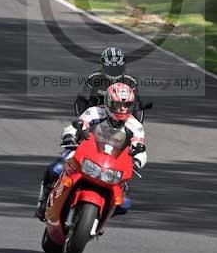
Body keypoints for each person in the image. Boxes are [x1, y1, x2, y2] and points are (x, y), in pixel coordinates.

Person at [35, 82, 147, 222]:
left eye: (126, 105)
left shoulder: (135, 125)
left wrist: (137, 160)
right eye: (118, 104)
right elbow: (76, 126)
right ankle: (43, 202)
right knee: (55, 169)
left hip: (112, 162)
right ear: (108, 102)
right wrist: (70, 136)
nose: (122, 109)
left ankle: (100, 217)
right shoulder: (94, 112)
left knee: (124, 200)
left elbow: (140, 146)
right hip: (85, 151)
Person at [75, 47, 143, 117]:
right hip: (97, 115)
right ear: (103, 66)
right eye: (111, 69)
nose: (114, 72)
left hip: (123, 115)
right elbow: (83, 99)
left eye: (117, 69)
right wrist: (82, 120)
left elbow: (136, 104)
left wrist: (136, 123)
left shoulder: (130, 80)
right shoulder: (94, 78)